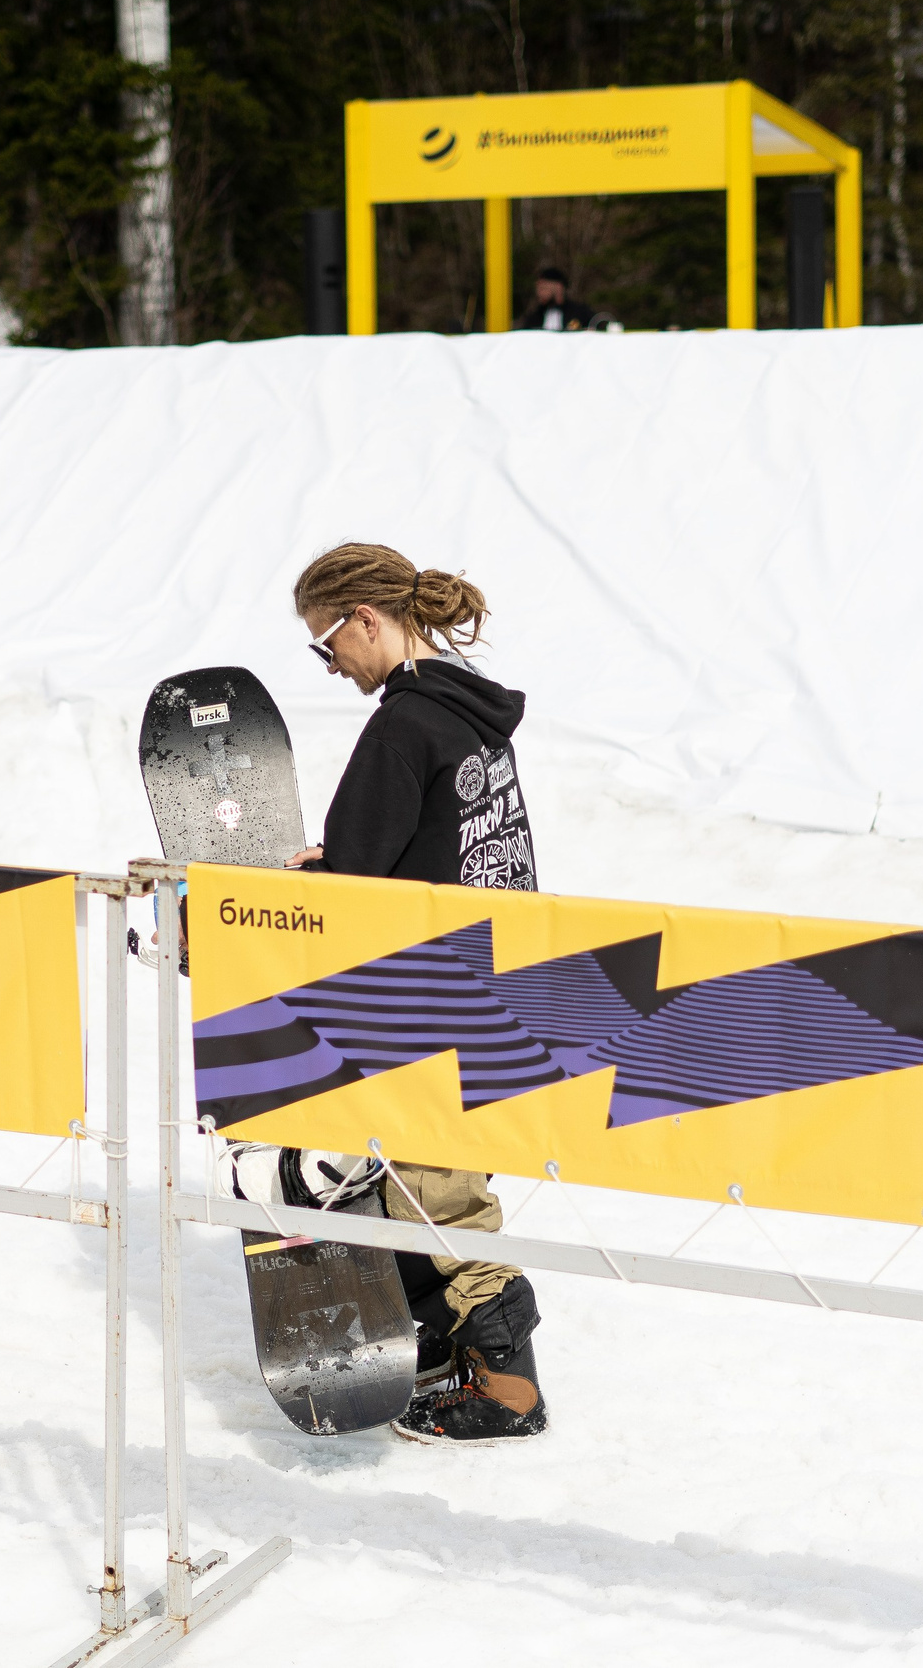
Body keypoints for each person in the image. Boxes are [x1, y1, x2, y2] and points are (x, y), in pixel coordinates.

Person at [287, 543, 548, 1445]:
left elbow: (359, 876)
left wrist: (306, 885)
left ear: (365, 619)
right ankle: (443, 1342)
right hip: (491, 973)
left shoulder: (403, 727)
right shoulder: (469, 714)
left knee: (437, 1190)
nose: (333, 666)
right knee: (437, 1173)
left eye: (327, 645)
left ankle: (509, 1390)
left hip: (434, 990)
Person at [515, 266, 595, 332]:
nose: (539, 293)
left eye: (543, 288)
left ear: (558, 287)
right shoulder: (534, 318)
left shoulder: (580, 312)